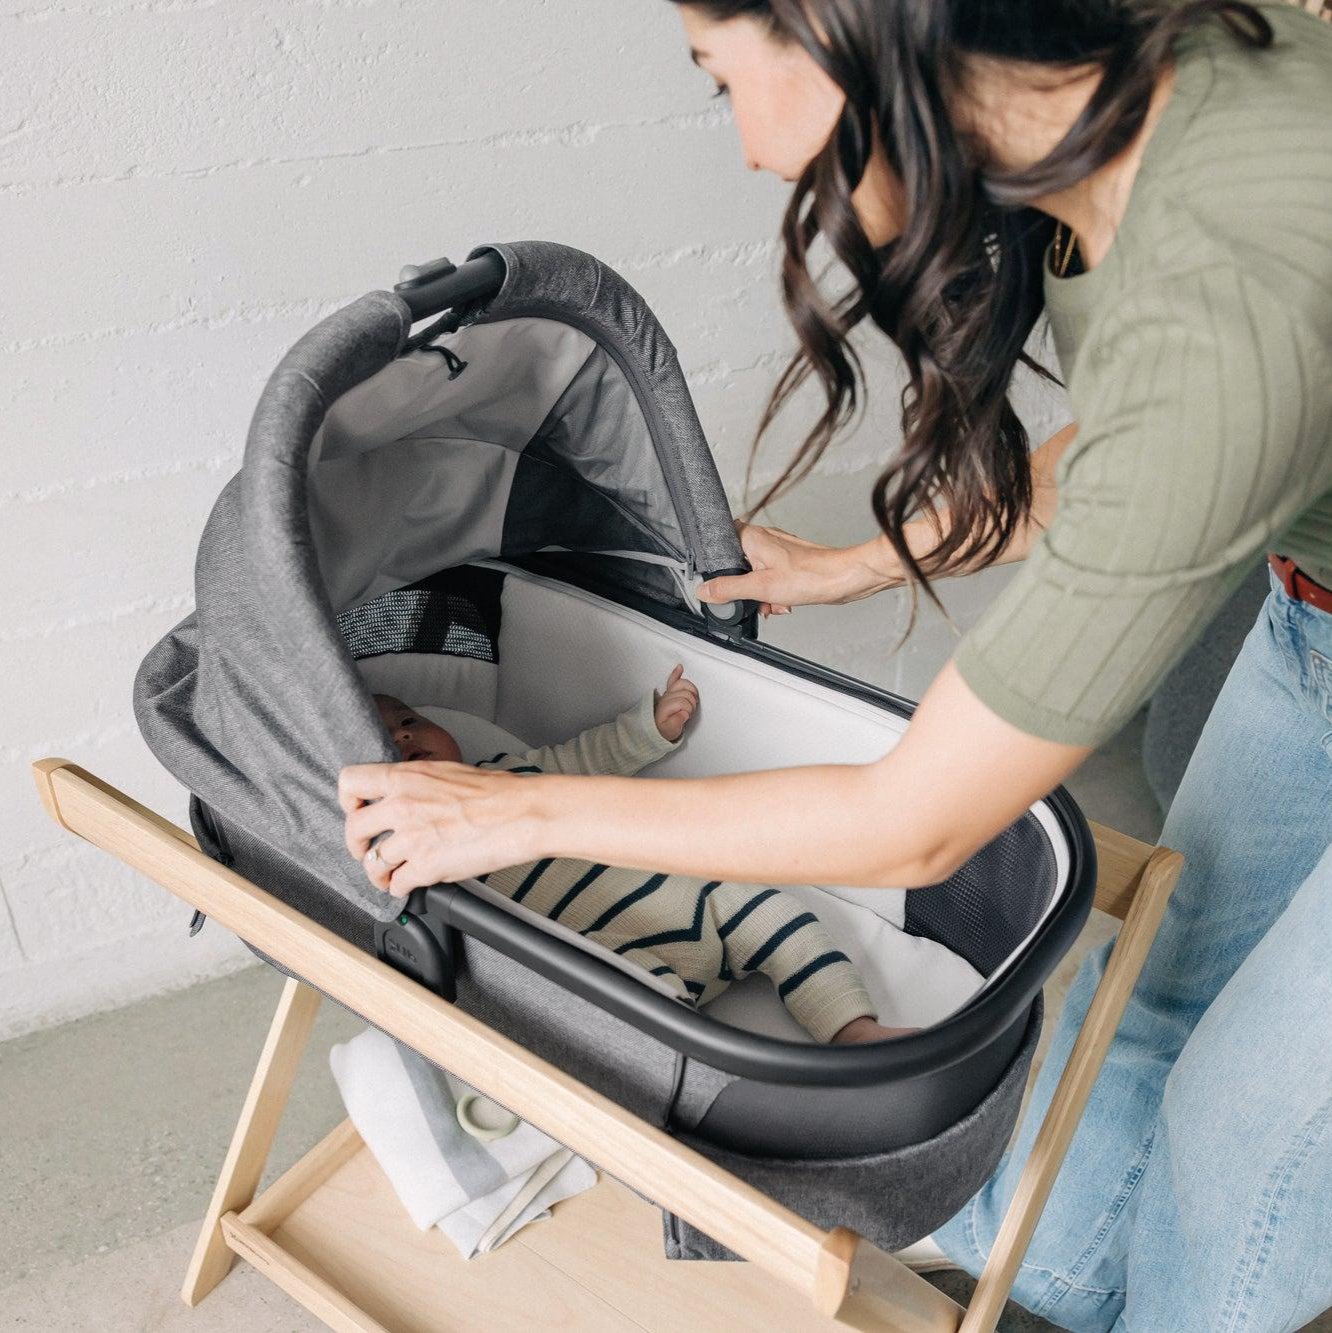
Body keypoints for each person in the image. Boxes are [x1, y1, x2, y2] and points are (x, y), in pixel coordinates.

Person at [341, 2, 1332, 1327]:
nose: (753, 150)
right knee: (1158, 989)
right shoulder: (1121, 115)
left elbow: (915, 823)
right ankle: (1092, 1280)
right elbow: (1141, 444)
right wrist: (857, 562)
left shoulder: (1239, 266)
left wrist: (512, 810)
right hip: (1311, 615)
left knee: (1249, 1137)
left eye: (720, 80)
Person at [372, 680, 909, 1045]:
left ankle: (853, 1029)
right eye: (385, 742)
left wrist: (651, 727)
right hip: (610, 948)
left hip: (697, 902)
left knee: (777, 915)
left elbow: (589, 758)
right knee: (635, 1008)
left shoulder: (513, 772)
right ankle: (713, 1073)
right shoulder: (426, 859)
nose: (404, 735)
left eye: (409, 719)